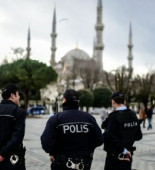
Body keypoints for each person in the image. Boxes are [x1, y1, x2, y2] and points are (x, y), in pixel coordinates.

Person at [41, 89, 103, 170]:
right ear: (78, 102)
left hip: (61, 163)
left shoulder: (55, 119)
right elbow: (99, 139)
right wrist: (88, 149)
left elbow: (46, 141)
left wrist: (53, 152)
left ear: (64, 100)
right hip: (83, 163)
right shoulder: (89, 118)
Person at [102, 92, 142, 170]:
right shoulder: (133, 114)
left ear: (113, 102)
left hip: (115, 157)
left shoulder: (114, 116)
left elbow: (110, 137)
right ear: (124, 102)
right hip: (128, 155)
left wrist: (123, 150)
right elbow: (138, 136)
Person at [0, 83, 26, 170]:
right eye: (18, 94)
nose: (19, 97)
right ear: (12, 95)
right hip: (12, 158)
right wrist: (3, 154)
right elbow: (17, 137)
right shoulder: (18, 111)